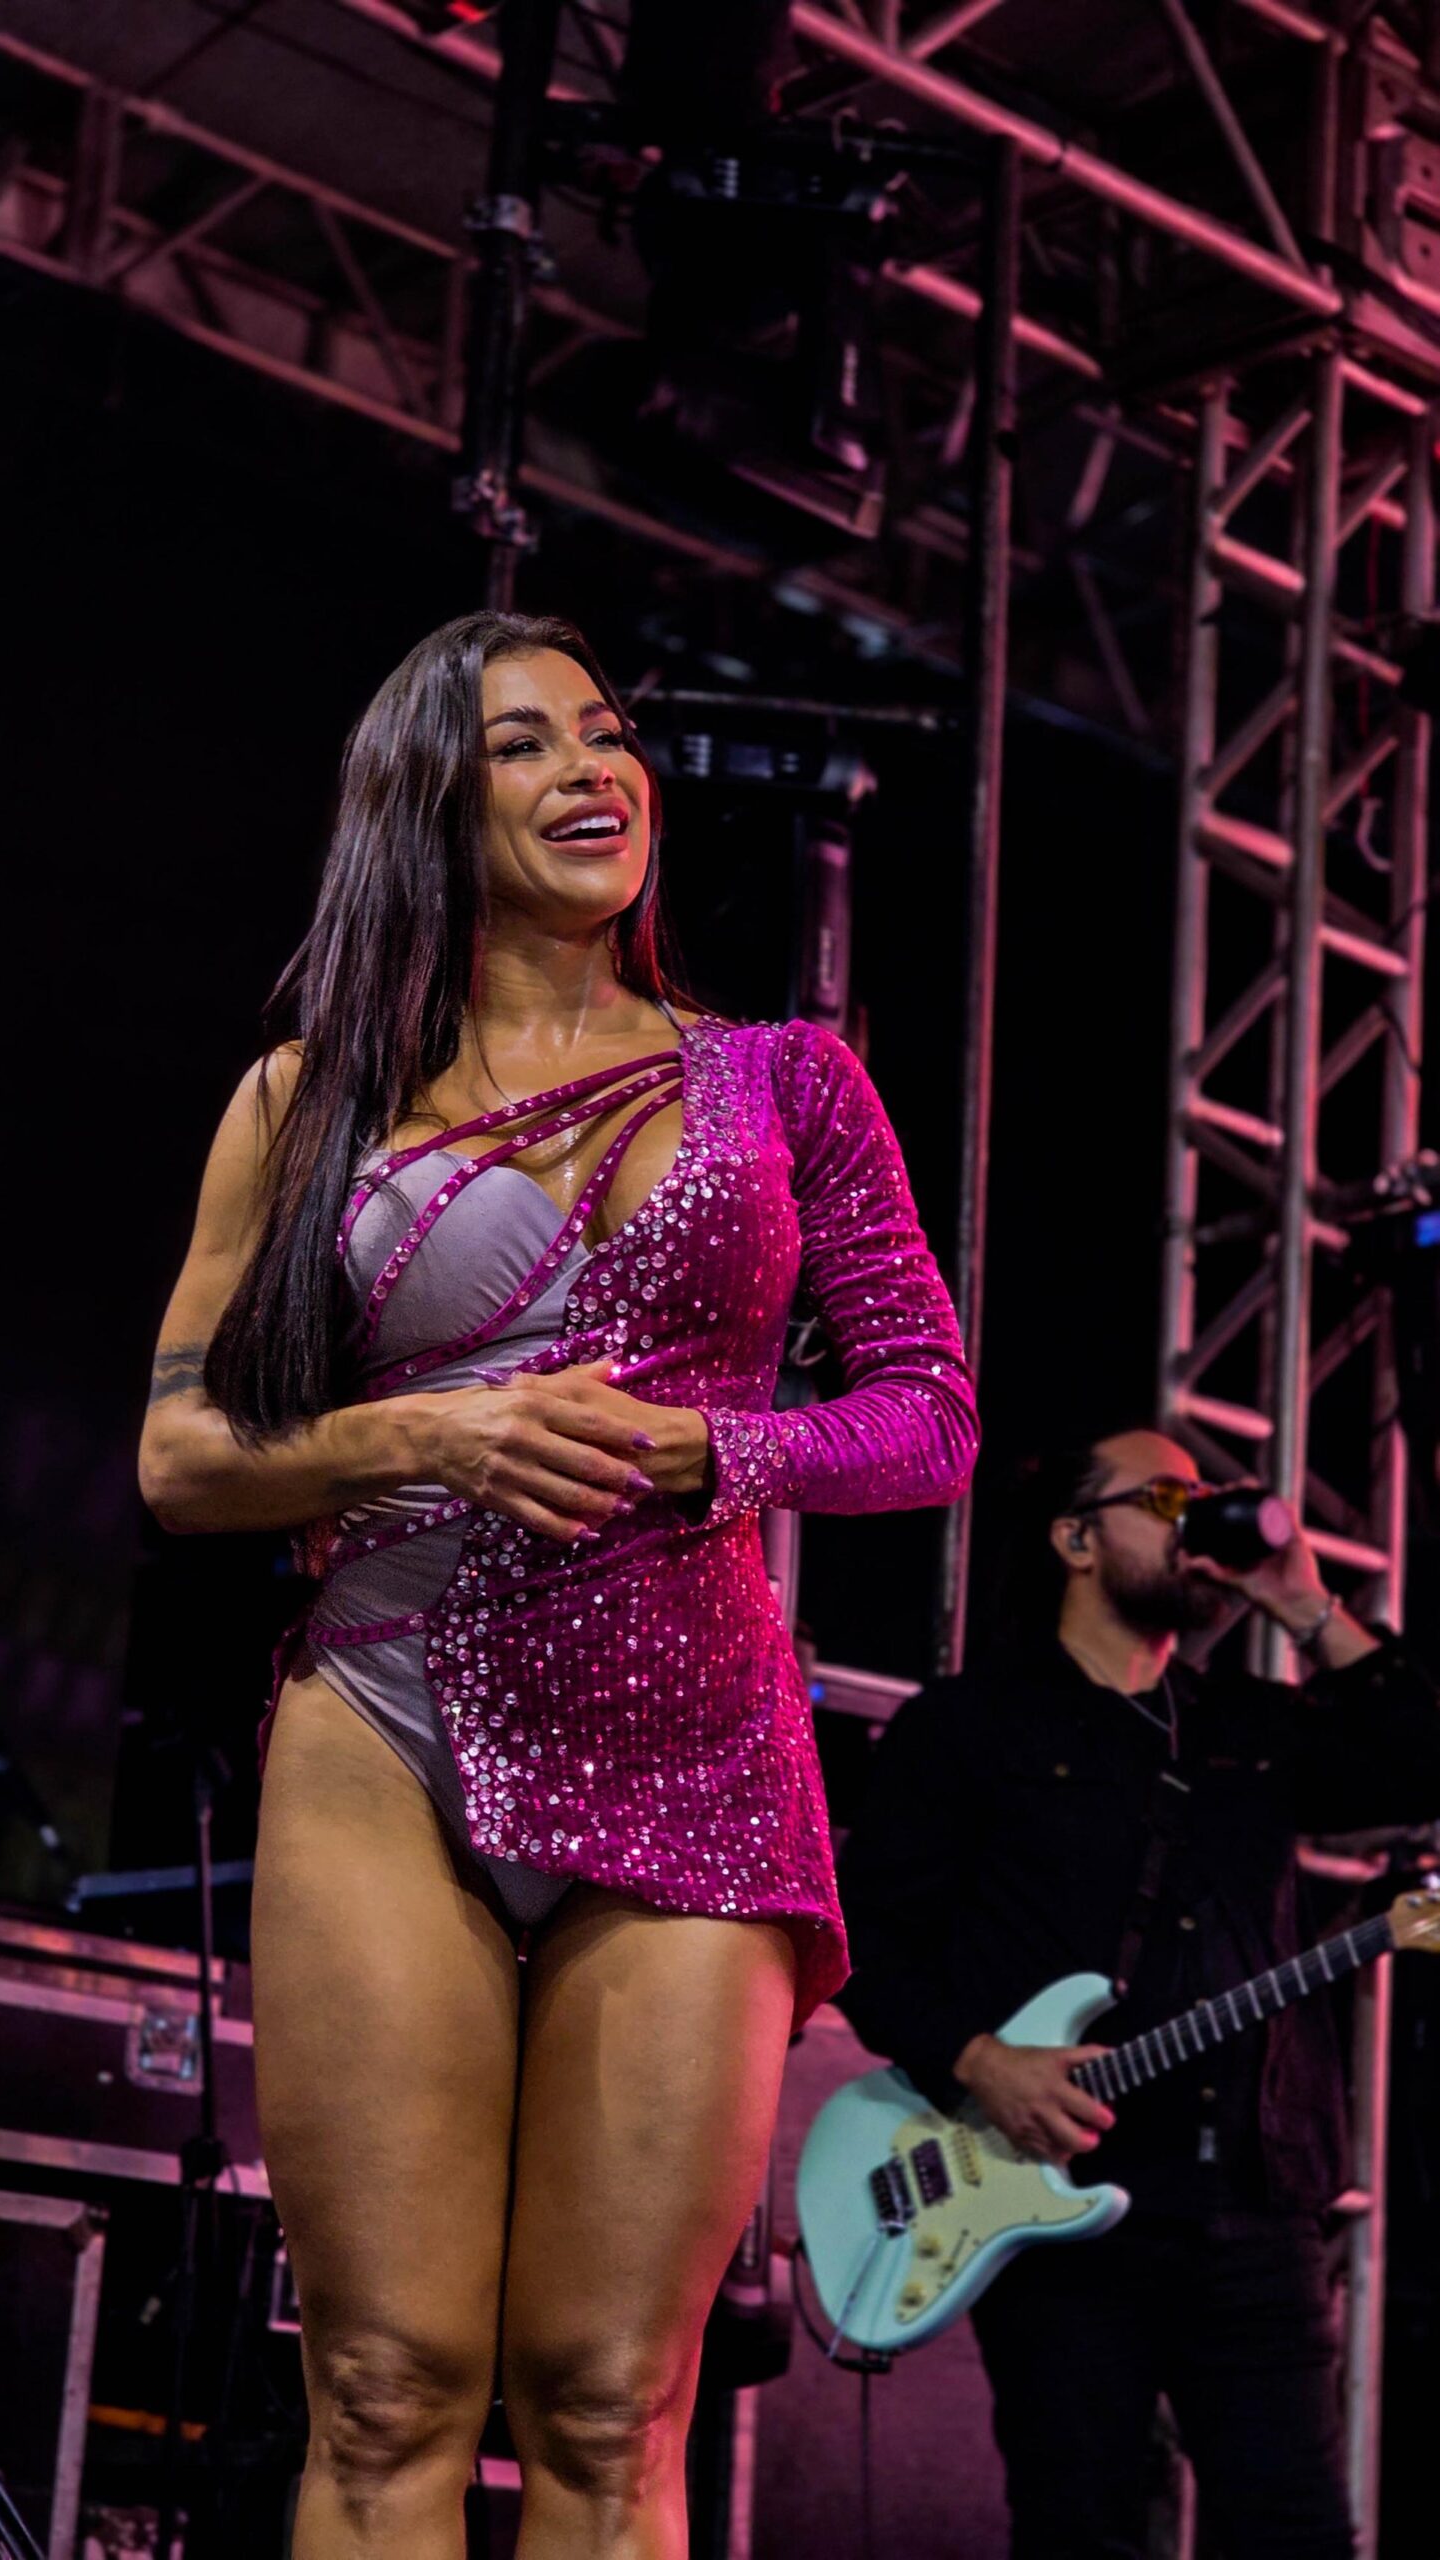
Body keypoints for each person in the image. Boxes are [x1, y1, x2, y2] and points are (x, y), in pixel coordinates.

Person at [137, 610, 977, 2560]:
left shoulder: (787, 1080)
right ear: (428, 800)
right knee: (385, 2382)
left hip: (694, 1740)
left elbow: (929, 1414)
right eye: (523, 743)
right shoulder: (306, 1097)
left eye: (606, 733)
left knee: (607, 2397)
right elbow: (183, 1459)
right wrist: (426, 1436)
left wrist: (717, 1451)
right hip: (384, 1719)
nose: (595, 770)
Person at [836, 1426, 1440, 2560]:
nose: (1197, 1517)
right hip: (1054, 2210)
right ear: (1074, 1539)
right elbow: (863, 1944)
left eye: (1205, 1496)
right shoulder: (965, 1728)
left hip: (1253, 2204)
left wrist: (1302, 1603)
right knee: (1081, 2531)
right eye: (1167, 1498)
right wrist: (979, 2061)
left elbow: (1420, 1759)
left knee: (1299, 2536)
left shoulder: (1250, 1729)